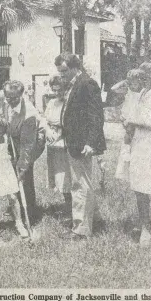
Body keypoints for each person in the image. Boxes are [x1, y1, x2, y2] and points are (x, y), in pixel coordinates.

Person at [55, 53, 106, 240]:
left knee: (81, 185)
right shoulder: (74, 83)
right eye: (59, 72)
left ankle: (81, 230)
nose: (62, 75)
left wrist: (91, 142)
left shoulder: (87, 83)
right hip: (73, 141)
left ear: (76, 67)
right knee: (80, 183)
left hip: (82, 143)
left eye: (64, 71)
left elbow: (96, 116)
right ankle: (93, 220)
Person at [126, 62, 151, 246]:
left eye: (145, 74)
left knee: (144, 186)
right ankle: (144, 221)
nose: (142, 77)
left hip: (149, 145)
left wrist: (132, 120)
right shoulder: (143, 92)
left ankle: (146, 228)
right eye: (141, 73)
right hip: (138, 142)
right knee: (137, 186)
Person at [2, 80, 39, 222]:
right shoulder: (6, 103)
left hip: (31, 142)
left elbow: (27, 145)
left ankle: (30, 213)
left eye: (14, 98)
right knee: (12, 173)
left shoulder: (29, 114)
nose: (10, 101)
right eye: (8, 97)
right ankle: (14, 207)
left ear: (21, 95)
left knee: (25, 175)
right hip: (14, 140)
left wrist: (23, 164)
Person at [42, 74, 72, 218]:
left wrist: (58, 132)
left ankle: (70, 208)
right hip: (52, 144)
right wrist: (48, 131)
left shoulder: (68, 103)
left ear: (65, 89)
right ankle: (67, 206)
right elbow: (45, 120)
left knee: (65, 177)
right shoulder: (51, 103)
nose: (57, 93)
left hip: (63, 144)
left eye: (60, 90)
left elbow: (68, 123)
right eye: (54, 90)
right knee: (57, 176)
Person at [112, 69, 145, 182]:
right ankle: (125, 173)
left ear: (141, 81)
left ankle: (137, 171)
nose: (134, 83)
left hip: (136, 121)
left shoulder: (143, 92)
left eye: (137, 80)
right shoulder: (128, 91)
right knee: (127, 145)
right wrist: (124, 81)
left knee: (135, 145)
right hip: (127, 120)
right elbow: (113, 89)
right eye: (132, 81)